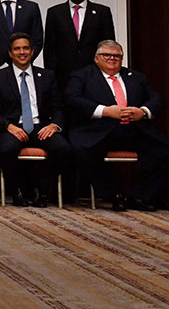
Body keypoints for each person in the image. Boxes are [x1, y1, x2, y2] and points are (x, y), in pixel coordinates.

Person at [65, 40, 167, 211]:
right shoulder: (82, 76)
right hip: (100, 129)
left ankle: (140, 196)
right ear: (97, 58)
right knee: (82, 150)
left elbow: (155, 98)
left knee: (163, 149)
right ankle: (113, 194)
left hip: (134, 128)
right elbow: (73, 100)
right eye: (107, 55)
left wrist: (142, 111)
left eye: (117, 56)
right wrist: (105, 111)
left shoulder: (136, 77)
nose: (112, 58)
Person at [0, 33, 68, 207]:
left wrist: (54, 125)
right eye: (17, 49)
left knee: (63, 148)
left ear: (32, 51)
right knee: (7, 148)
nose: (22, 52)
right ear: (10, 53)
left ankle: (43, 192)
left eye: (26, 48)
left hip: (40, 126)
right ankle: (19, 191)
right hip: (10, 127)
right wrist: (9, 126)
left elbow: (59, 107)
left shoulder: (48, 76)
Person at [44, 0, 116, 93]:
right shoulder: (55, 12)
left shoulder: (102, 12)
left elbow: (109, 45)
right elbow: (49, 47)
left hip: (94, 73)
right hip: (63, 75)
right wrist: (51, 75)